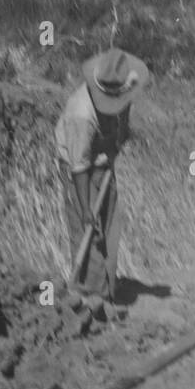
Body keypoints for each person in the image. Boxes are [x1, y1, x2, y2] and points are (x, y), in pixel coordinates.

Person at [54, 47, 149, 302]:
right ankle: (88, 297)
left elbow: (124, 106)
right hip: (81, 173)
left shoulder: (122, 83)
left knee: (110, 228)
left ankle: (105, 293)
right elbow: (79, 165)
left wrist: (120, 136)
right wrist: (86, 208)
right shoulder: (80, 114)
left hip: (103, 161)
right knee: (89, 232)